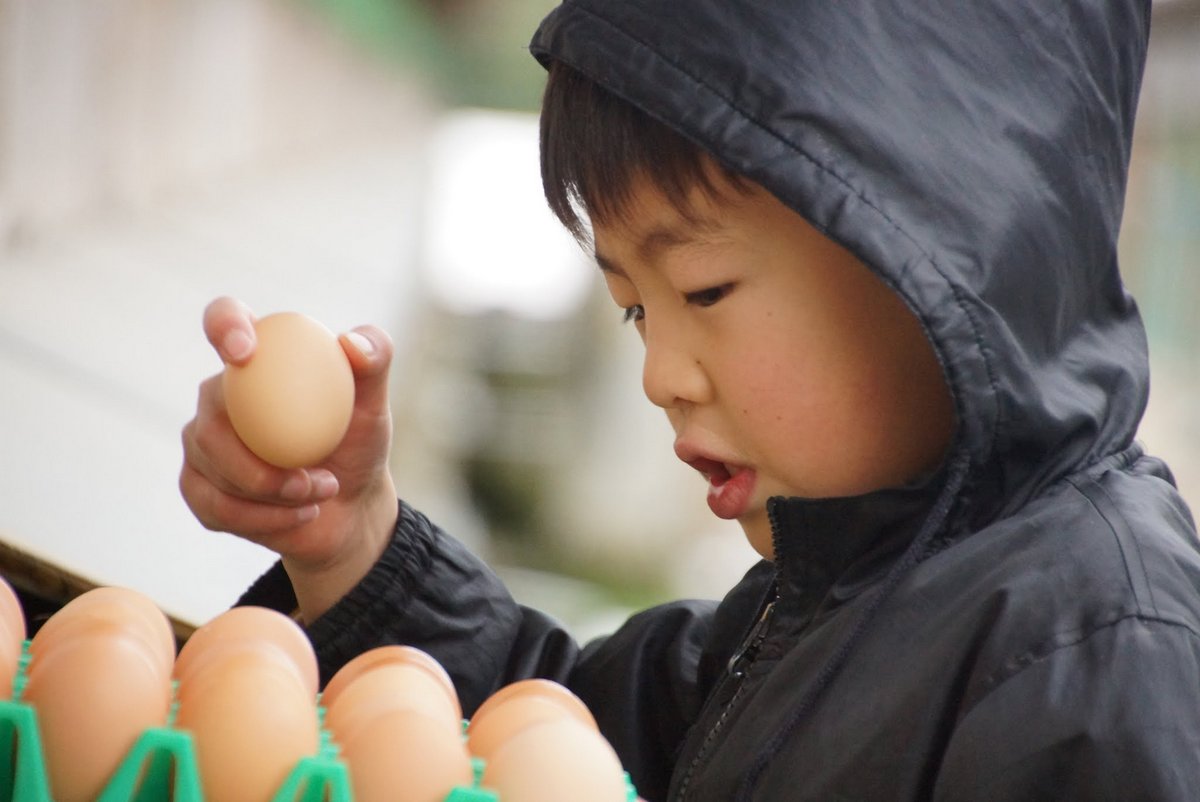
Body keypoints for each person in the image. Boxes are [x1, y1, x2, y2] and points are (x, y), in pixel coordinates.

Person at [180, 0, 1200, 799]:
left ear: (947, 252)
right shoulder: (823, 599)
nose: (660, 374)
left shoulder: (1097, 661)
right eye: (635, 311)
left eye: (704, 290)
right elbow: (552, 733)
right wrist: (354, 538)